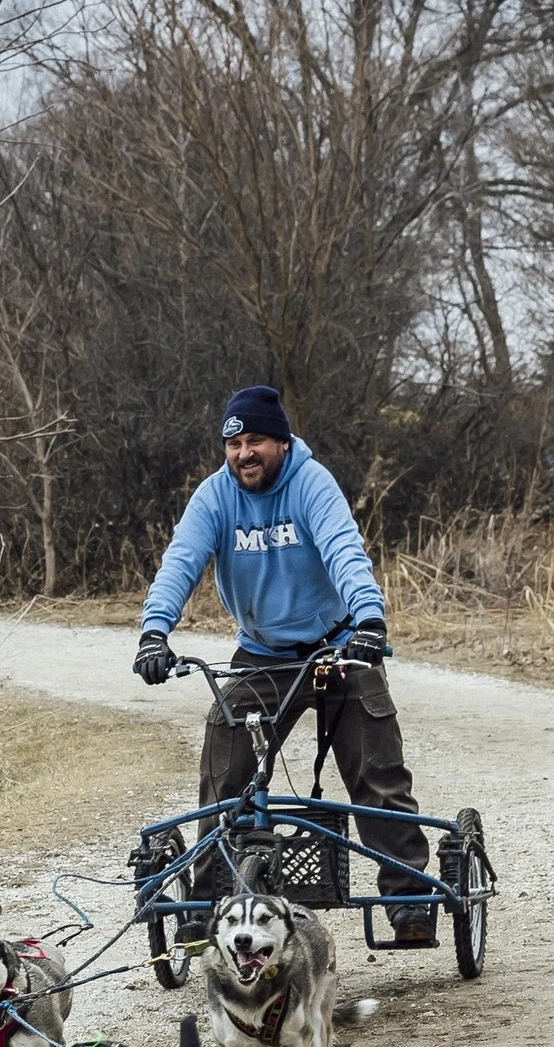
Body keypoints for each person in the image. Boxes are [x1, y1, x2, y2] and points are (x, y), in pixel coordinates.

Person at [132, 385, 436, 944]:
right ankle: (205, 905)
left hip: (341, 645)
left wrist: (369, 620)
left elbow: (345, 550)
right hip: (262, 652)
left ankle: (409, 898)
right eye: (234, 444)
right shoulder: (215, 497)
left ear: (281, 442)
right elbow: (181, 561)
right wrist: (155, 633)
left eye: (256, 442)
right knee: (224, 778)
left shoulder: (312, 484)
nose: (244, 453)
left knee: (377, 775)